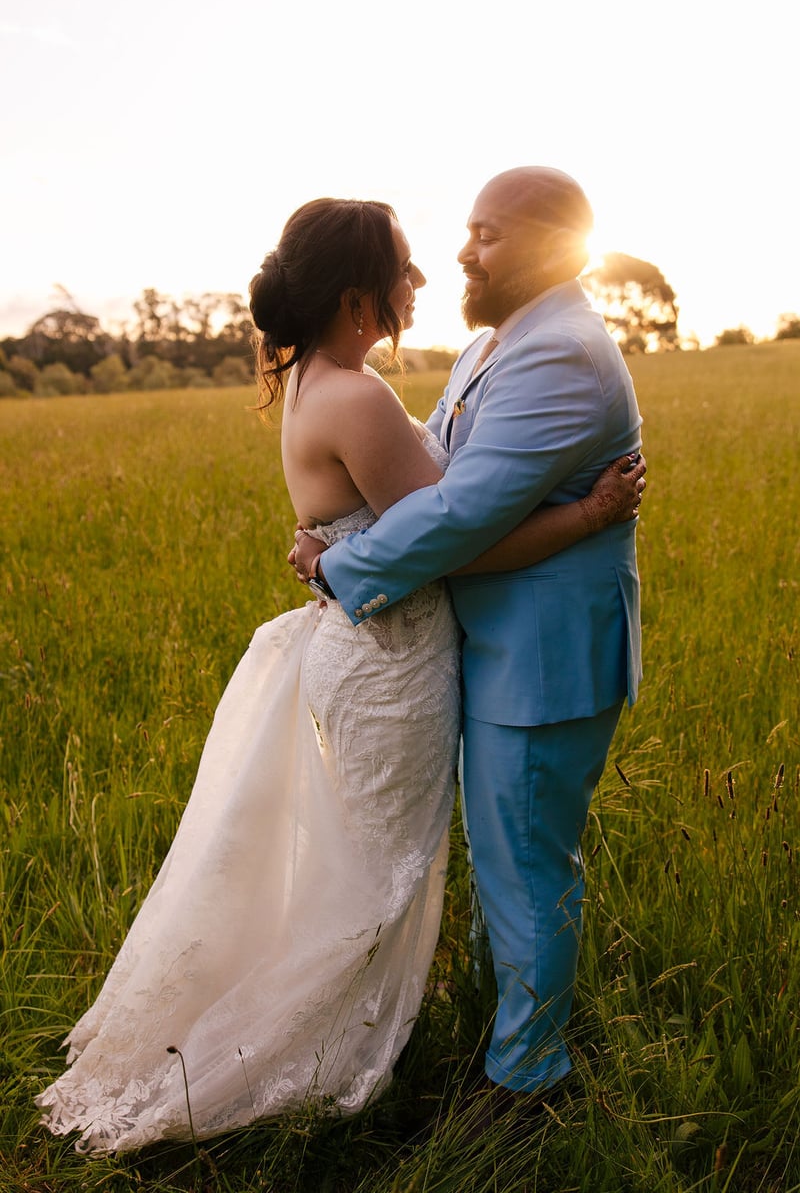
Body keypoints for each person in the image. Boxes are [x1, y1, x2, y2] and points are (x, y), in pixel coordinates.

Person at [36, 196, 643, 1154]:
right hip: (392, 659)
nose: (429, 276)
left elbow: (442, 510)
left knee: (394, 862)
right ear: (359, 292)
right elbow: (452, 535)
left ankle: (465, 1049)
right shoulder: (362, 393)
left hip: (402, 654)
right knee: (378, 876)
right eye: (406, 267)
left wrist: (335, 555)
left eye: (480, 235)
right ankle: (310, 1057)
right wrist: (585, 515)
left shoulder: (336, 378)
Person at [292, 169, 644, 1107]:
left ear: (550, 246)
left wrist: (343, 565)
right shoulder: (499, 343)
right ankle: (511, 1029)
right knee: (508, 856)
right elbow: (432, 470)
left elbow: (462, 511)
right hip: (491, 644)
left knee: (526, 863)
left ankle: (528, 1086)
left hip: (542, 657)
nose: (460, 251)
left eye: (486, 233)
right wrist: (342, 532)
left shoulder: (559, 353)